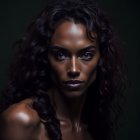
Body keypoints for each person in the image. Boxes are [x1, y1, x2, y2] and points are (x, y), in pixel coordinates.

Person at [0, 0, 127, 140]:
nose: (73, 69)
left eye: (86, 55)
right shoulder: (21, 120)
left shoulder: (93, 126)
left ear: (101, 59)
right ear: (45, 58)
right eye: (60, 55)